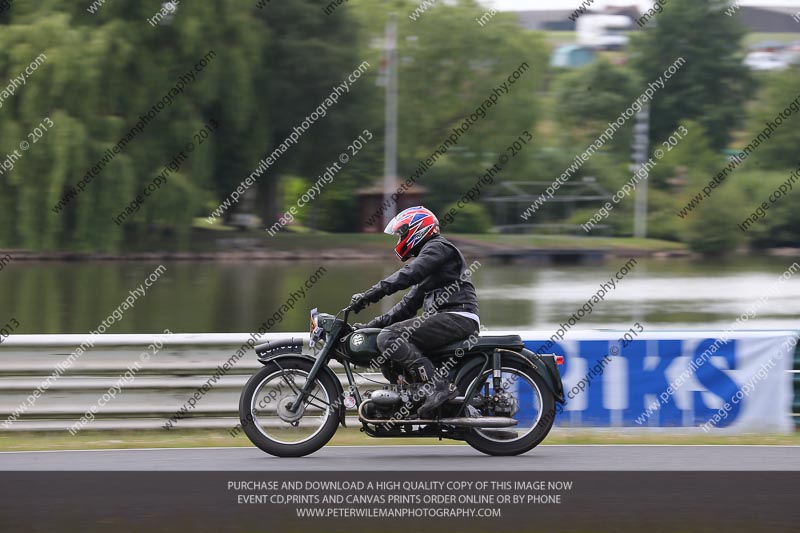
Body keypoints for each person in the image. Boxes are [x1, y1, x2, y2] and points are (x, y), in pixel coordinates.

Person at [350, 206, 480, 418]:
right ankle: (416, 402)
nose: (400, 238)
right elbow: (405, 308)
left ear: (417, 228)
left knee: (390, 336)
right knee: (388, 351)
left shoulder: (438, 247)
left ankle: (438, 387)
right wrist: (365, 328)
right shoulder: (431, 265)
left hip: (458, 316)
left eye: (402, 233)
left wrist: (371, 294)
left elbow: (409, 273)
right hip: (447, 318)